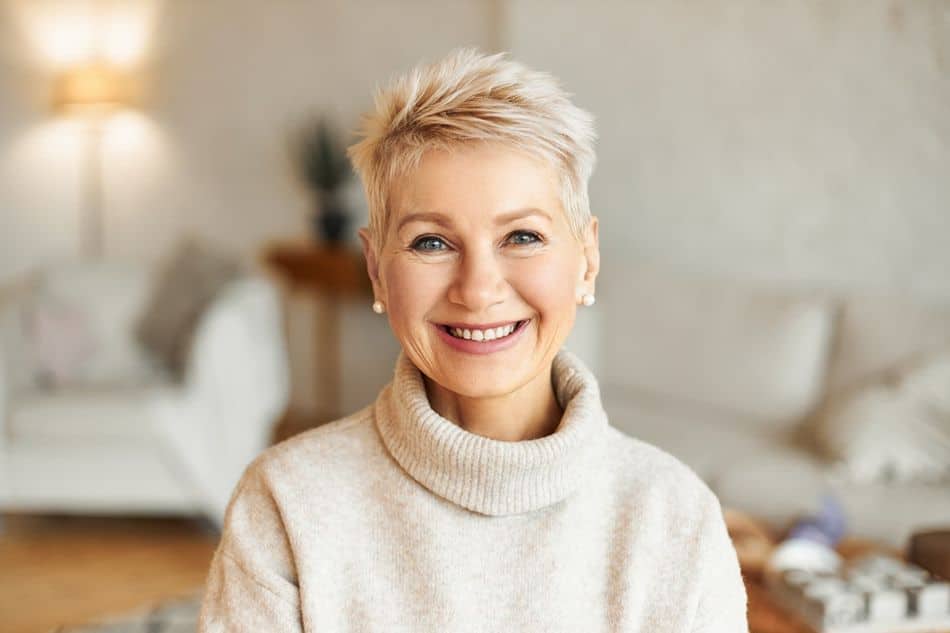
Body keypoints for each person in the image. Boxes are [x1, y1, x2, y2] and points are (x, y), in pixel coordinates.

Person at [198, 47, 748, 632]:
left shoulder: (677, 518)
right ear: (377, 270)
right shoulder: (286, 505)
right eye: (432, 242)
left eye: (522, 236)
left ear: (587, 259)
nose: (478, 290)